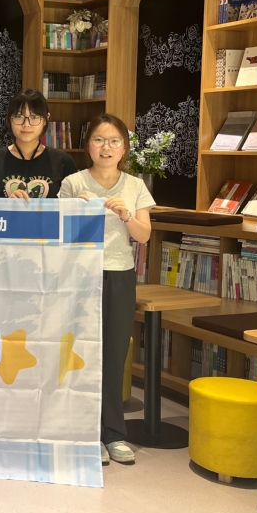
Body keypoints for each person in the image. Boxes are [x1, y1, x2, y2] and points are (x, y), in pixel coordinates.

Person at [59, 113, 154, 466]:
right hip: (79, 275)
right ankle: (85, 433)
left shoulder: (135, 185)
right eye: (99, 140)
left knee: (114, 356)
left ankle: (113, 433)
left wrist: (127, 215)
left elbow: (144, 235)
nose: (106, 147)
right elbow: (59, 233)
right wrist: (77, 211)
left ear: (124, 148)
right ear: (88, 146)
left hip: (118, 275)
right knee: (81, 354)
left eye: (114, 141)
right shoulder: (72, 183)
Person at [0, 89, 77, 199]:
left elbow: (72, 206)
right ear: (10, 119)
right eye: (19, 116)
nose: (26, 124)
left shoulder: (63, 162)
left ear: (46, 119)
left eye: (34, 117)